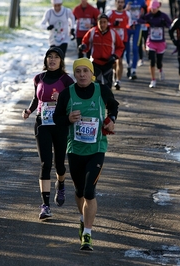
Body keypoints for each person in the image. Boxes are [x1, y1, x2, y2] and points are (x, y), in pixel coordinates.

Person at [53, 57, 119, 251]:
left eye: (85, 71)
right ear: (74, 74)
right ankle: (83, 219)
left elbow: (114, 105)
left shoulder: (101, 90)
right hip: (74, 148)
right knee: (80, 190)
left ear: (92, 73)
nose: (82, 74)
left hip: (97, 148)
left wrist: (111, 120)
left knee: (90, 191)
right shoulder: (67, 94)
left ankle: (87, 235)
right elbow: (57, 118)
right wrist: (67, 119)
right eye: (78, 71)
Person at [22, 47, 74, 219]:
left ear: (61, 61)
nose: (52, 60)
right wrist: (29, 110)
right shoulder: (39, 78)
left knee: (59, 164)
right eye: (49, 57)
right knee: (45, 163)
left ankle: (61, 182)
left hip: (59, 125)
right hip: (42, 124)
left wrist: (63, 99)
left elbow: (74, 101)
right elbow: (36, 98)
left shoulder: (66, 80)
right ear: (45, 60)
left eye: (56, 57)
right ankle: (45, 205)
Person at [79, 13, 125, 90]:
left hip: (108, 63)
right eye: (100, 22)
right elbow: (85, 43)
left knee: (107, 87)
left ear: (107, 23)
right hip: (95, 63)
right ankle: (96, 101)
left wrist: (115, 56)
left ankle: (107, 101)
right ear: (97, 22)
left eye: (104, 22)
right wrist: (83, 47)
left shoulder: (113, 33)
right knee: (96, 86)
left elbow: (120, 47)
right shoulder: (92, 32)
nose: (102, 24)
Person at [138, 0, 171, 88]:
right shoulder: (149, 16)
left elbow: (170, 24)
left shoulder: (163, 16)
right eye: (151, 8)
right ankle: (153, 80)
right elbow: (140, 20)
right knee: (152, 61)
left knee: (158, 62)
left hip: (160, 43)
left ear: (158, 7)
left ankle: (160, 69)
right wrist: (144, 20)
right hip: (151, 42)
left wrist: (165, 24)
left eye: (154, 8)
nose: (152, 10)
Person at [106, 0, 132, 90]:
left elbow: (129, 25)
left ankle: (118, 81)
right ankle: (114, 72)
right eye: (118, 2)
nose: (120, 4)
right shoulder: (110, 13)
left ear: (124, 3)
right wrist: (112, 24)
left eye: (122, 2)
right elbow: (103, 24)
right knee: (112, 61)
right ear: (115, 3)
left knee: (119, 60)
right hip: (111, 41)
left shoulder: (127, 14)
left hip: (122, 41)